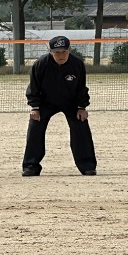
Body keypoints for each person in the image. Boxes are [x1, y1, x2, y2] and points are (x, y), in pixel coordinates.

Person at [22, 36, 97, 177]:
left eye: (64, 52)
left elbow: (82, 88)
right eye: (57, 52)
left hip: (71, 102)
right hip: (45, 102)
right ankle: (31, 165)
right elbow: (33, 87)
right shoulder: (40, 64)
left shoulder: (77, 64)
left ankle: (87, 165)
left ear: (70, 50)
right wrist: (35, 108)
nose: (60, 55)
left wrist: (82, 107)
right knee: (35, 126)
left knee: (81, 124)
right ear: (50, 51)